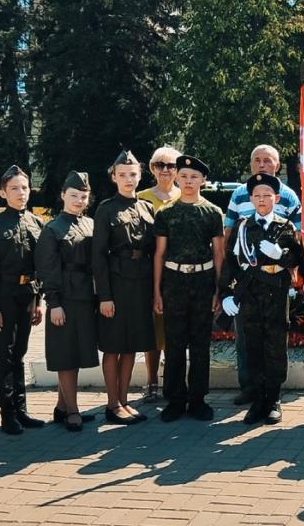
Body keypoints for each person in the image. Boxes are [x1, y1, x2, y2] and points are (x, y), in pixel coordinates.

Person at [218, 173, 304, 426]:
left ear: (276, 198)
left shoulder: (285, 226)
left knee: (275, 346)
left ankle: (274, 400)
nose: (262, 199)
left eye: (267, 195)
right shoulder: (243, 227)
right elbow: (231, 263)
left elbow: (297, 260)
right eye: (257, 195)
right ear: (251, 199)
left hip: (276, 293)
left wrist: (281, 254)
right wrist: (225, 294)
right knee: (253, 346)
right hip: (250, 295)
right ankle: (258, 401)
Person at [152, 155, 224, 423]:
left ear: (203, 180)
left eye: (194, 177)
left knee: (200, 344)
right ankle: (175, 399)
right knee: (174, 344)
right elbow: (159, 253)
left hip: (203, 282)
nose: (188, 181)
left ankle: (198, 399)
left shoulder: (213, 212)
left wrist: (219, 290)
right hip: (174, 282)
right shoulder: (166, 212)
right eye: (183, 176)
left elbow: (218, 252)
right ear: (177, 178)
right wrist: (156, 291)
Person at [0, 165, 46, 435]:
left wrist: (39, 301)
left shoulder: (36, 222)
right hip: (4, 296)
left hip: (27, 295)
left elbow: (41, 266)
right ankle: (7, 414)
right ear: (2, 193)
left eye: (25, 188)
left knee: (19, 353)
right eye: (15, 188)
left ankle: (21, 410)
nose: (21, 193)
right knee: (4, 356)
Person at [93, 150, 156, 425]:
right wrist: (104, 296)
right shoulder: (106, 208)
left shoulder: (146, 207)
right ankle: (111, 403)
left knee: (132, 345)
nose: (128, 179)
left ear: (140, 176)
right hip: (117, 283)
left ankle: (124, 401)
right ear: (113, 177)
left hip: (140, 283)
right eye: (122, 175)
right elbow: (98, 256)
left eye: (133, 174)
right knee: (113, 345)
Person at [38, 171, 99, 432]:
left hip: (85, 297)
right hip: (64, 298)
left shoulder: (90, 224)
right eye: (74, 195)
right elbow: (47, 268)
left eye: (83, 196)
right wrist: (54, 303)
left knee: (77, 351)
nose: (78, 200)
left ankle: (62, 407)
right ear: (63, 195)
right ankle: (73, 411)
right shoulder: (52, 229)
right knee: (66, 355)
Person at [137, 145, 182, 402]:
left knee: (176, 329)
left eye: (171, 166)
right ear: (152, 169)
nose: (165, 170)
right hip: (149, 271)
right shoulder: (141, 197)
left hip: (178, 272)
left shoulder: (184, 195)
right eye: (160, 165)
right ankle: (152, 381)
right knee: (153, 330)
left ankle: (173, 383)